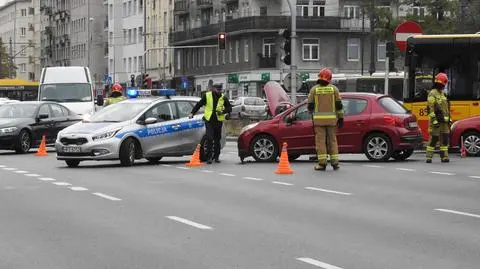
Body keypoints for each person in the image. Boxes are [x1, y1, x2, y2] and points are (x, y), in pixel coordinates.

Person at [307, 68, 344, 171]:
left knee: (321, 142)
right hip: (332, 121)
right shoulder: (334, 89)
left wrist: (311, 111)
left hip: (319, 122)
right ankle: (335, 163)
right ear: (330, 78)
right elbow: (339, 105)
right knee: (332, 141)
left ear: (319, 77)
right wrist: (341, 118)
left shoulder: (314, 89)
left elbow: (310, 105)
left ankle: (322, 163)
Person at [189, 84, 232, 164]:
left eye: (220, 89)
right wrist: (192, 113)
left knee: (217, 139)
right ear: (213, 89)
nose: (219, 90)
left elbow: (229, 108)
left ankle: (216, 157)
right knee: (209, 138)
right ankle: (209, 157)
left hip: (218, 121)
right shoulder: (207, 96)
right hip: (209, 120)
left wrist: (223, 112)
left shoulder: (223, 97)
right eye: (217, 89)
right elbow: (199, 104)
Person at [426, 72, 451, 163]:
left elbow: (446, 108)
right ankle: (429, 157)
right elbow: (430, 108)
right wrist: (434, 120)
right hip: (436, 121)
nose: (444, 85)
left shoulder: (443, 94)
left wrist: (449, 118)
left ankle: (444, 157)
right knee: (434, 138)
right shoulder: (432, 93)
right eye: (444, 83)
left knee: (445, 139)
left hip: (444, 121)